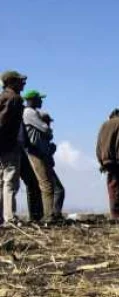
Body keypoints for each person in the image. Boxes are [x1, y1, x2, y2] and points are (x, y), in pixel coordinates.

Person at [21, 90, 65, 223]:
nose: (41, 101)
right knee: (46, 185)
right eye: (39, 99)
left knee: (50, 187)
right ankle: (48, 216)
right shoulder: (29, 112)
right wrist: (47, 129)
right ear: (32, 99)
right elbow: (46, 129)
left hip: (39, 152)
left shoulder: (32, 113)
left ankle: (49, 215)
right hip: (36, 152)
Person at [0, 71, 26, 226]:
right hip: (8, 145)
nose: (23, 83)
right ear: (11, 82)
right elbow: (2, 123)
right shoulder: (14, 99)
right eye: (19, 81)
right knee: (10, 182)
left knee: (2, 182)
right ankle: (9, 217)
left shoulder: (3, 97)